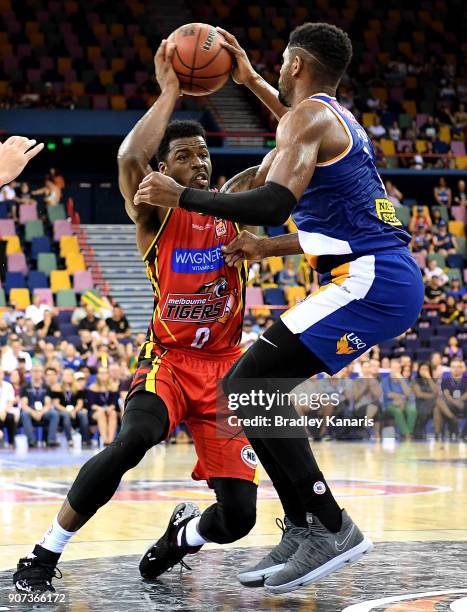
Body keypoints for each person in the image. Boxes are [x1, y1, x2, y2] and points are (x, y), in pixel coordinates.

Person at [134, 23, 424, 593]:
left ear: (294, 63)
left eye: (279, 65)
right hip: (377, 278)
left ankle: (331, 525)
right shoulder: (330, 116)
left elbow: (272, 203)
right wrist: (249, 79)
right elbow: (300, 150)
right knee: (251, 390)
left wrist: (182, 195)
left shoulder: (305, 120)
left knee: (246, 386)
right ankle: (304, 525)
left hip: (370, 279)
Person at [14, 41, 265, 593]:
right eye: (184, 155)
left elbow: (296, 145)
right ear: (164, 168)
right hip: (169, 361)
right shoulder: (155, 211)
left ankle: (183, 538)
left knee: (240, 518)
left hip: (226, 369)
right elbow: (129, 159)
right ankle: (43, 552)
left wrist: (248, 80)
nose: (199, 162)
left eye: (203, 153)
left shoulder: (238, 197)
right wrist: (171, 91)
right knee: (133, 440)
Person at [19, 364, 59, 448]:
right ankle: (32, 441)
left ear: (42, 373)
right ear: (31, 373)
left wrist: (40, 413)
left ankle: (51, 440)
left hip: (43, 412)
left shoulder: (46, 387)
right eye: (35, 371)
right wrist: (34, 413)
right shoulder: (25, 387)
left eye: (39, 371)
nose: (37, 373)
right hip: (30, 411)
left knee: (54, 413)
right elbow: (24, 405)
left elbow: (48, 404)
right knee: (24, 414)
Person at [51, 368, 90, 447]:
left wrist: (74, 411)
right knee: (66, 416)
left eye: (70, 375)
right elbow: (56, 404)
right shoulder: (57, 387)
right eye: (66, 375)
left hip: (75, 410)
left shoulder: (78, 388)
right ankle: (69, 439)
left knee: (83, 415)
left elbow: (80, 403)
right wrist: (67, 411)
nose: (68, 377)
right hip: (62, 410)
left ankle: (85, 440)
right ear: (63, 377)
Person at [381, 359, 417, 440]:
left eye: (397, 368)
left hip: (404, 402)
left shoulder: (404, 380)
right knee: (398, 411)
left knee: (412, 410)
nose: (395, 370)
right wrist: (401, 397)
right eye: (393, 368)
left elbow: (408, 393)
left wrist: (401, 380)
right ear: (390, 369)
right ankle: (407, 435)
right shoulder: (386, 381)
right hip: (390, 404)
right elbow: (389, 395)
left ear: (400, 369)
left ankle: (408, 432)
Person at [0, 368, 17, 447]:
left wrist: (5, 411)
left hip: (5, 411)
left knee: (10, 417)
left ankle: (11, 442)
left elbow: (11, 401)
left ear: (3, 374)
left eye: (0, 373)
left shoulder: (8, 386)